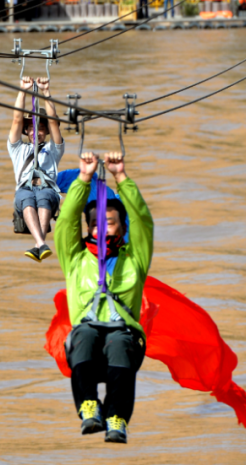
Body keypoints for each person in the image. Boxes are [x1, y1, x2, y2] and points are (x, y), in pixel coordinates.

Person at [54, 151, 153, 444]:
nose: (100, 229)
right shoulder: (74, 257)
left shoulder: (135, 258)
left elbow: (143, 221)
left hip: (122, 334)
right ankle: (88, 407)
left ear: (122, 228)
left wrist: (120, 177)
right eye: (96, 224)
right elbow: (67, 221)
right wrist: (84, 178)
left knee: (120, 342)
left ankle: (117, 418)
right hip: (86, 332)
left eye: (109, 223)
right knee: (83, 336)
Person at [7, 76, 64, 261]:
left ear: (46, 131)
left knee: (43, 195)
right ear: (26, 131)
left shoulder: (53, 149)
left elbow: (54, 121)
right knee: (25, 197)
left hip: (47, 191)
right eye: (31, 128)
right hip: (24, 190)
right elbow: (16, 119)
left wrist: (46, 91)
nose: (36, 132)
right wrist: (23, 90)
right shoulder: (18, 149)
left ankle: (39, 244)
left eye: (40, 128)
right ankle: (40, 244)